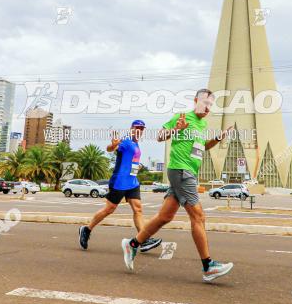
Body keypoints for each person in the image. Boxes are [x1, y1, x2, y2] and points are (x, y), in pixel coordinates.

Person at [122, 89, 234, 282]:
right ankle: (208, 266)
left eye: (210, 105)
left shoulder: (202, 124)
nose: (207, 108)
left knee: (165, 216)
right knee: (198, 216)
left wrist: (218, 138)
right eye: (204, 103)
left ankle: (132, 244)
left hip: (187, 171)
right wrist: (177, 129)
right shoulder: (181, 117)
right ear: (195, 101)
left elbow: (202, 147)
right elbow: (160, 136)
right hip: (181, 170)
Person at [79, 120, 161, 252]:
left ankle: (143, 240)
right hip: (120, 181)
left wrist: (137, 166)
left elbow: (131, 160)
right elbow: (111, 148)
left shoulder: (136, 143)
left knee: (138, 209)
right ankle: (86, 229)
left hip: (132, 181)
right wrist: (113, 146)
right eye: (137, 128)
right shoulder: (126, 141)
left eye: (142, 128)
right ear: (131, 128)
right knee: (109, 209)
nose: (139, 130)